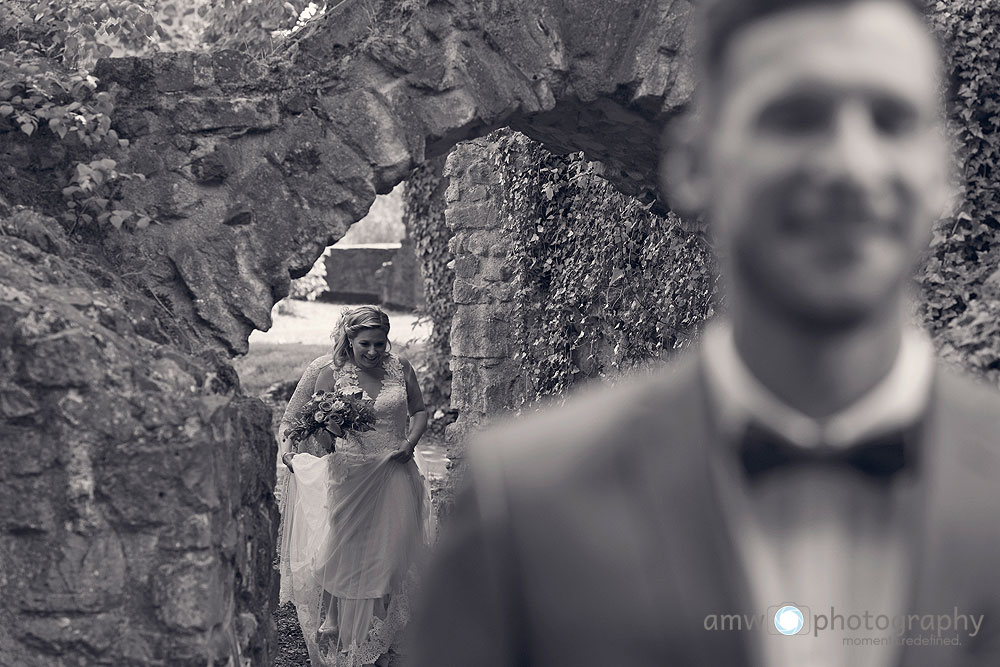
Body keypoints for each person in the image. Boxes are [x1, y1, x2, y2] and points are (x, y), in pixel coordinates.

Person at [409, 0, 1000, 665]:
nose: (851, 166)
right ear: (693, 162)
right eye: (795, 119)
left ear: (943, 172)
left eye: (891, 121)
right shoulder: (521, 510)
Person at [276, 305, 432, 667]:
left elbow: (420, 411)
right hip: (348, 477)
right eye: (366, 344)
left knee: (391, 556)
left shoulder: (400, 368)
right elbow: (301, 422)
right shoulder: (329, 373)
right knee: (340, 554)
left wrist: (409, 444)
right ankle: (339, 630)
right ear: (349, 340)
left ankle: (378, 635)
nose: (374, 352)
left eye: (380, 344)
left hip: (393, 471)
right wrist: (292, 449)